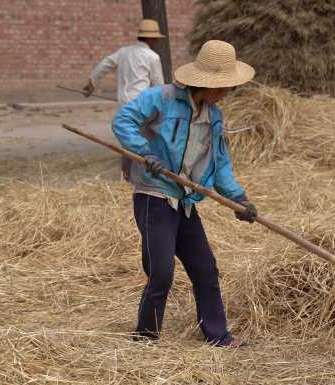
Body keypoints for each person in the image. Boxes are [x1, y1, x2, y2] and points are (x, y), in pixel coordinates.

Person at [111, 40, 258, 347]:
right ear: (201, 82)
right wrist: (145, 152)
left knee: (205, 268)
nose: (225, 92)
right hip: (155, 196)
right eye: (222, 85)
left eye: (228, 86)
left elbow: (220, 164)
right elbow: (123, 121)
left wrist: (238, 199)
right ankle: (145, 337)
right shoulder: (162, 99)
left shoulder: (214, 117)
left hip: (186, 201)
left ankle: (218, 336)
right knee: (161, 271)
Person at [83, 19, 165, 106]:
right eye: (156, 38)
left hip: (123, 104)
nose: (157, 41)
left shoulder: (123, 52)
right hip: (141, 105)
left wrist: (92, 81)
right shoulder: (152, 56)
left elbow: (105, 64)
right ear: (150, 39)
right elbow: (158, 86)